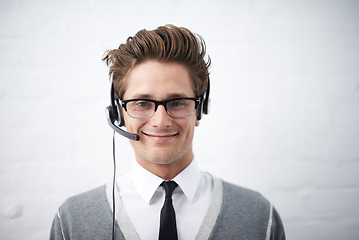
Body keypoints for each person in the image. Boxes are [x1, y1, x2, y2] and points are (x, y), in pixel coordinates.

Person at [50, 24, 285, 240]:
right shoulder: (72, 219)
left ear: (199, 109)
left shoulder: (259, 216)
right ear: (119, 114)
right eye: (142, 103)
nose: (160, 121)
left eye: (178, 102)